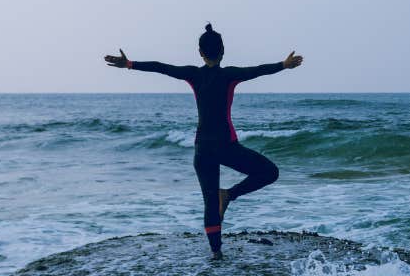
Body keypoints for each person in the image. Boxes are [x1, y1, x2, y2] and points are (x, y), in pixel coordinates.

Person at [105, 24, 303, 260]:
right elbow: (258, 70)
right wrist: (283, 65)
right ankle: (229, 195)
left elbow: (161, 68)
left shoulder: (194, 74)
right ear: (223, 51)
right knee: (269, 172)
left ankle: (216, 252)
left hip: (203, 149)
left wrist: (129, 64)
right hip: (226, 146)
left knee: (209, 202)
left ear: (200, 52)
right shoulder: (229, 75)